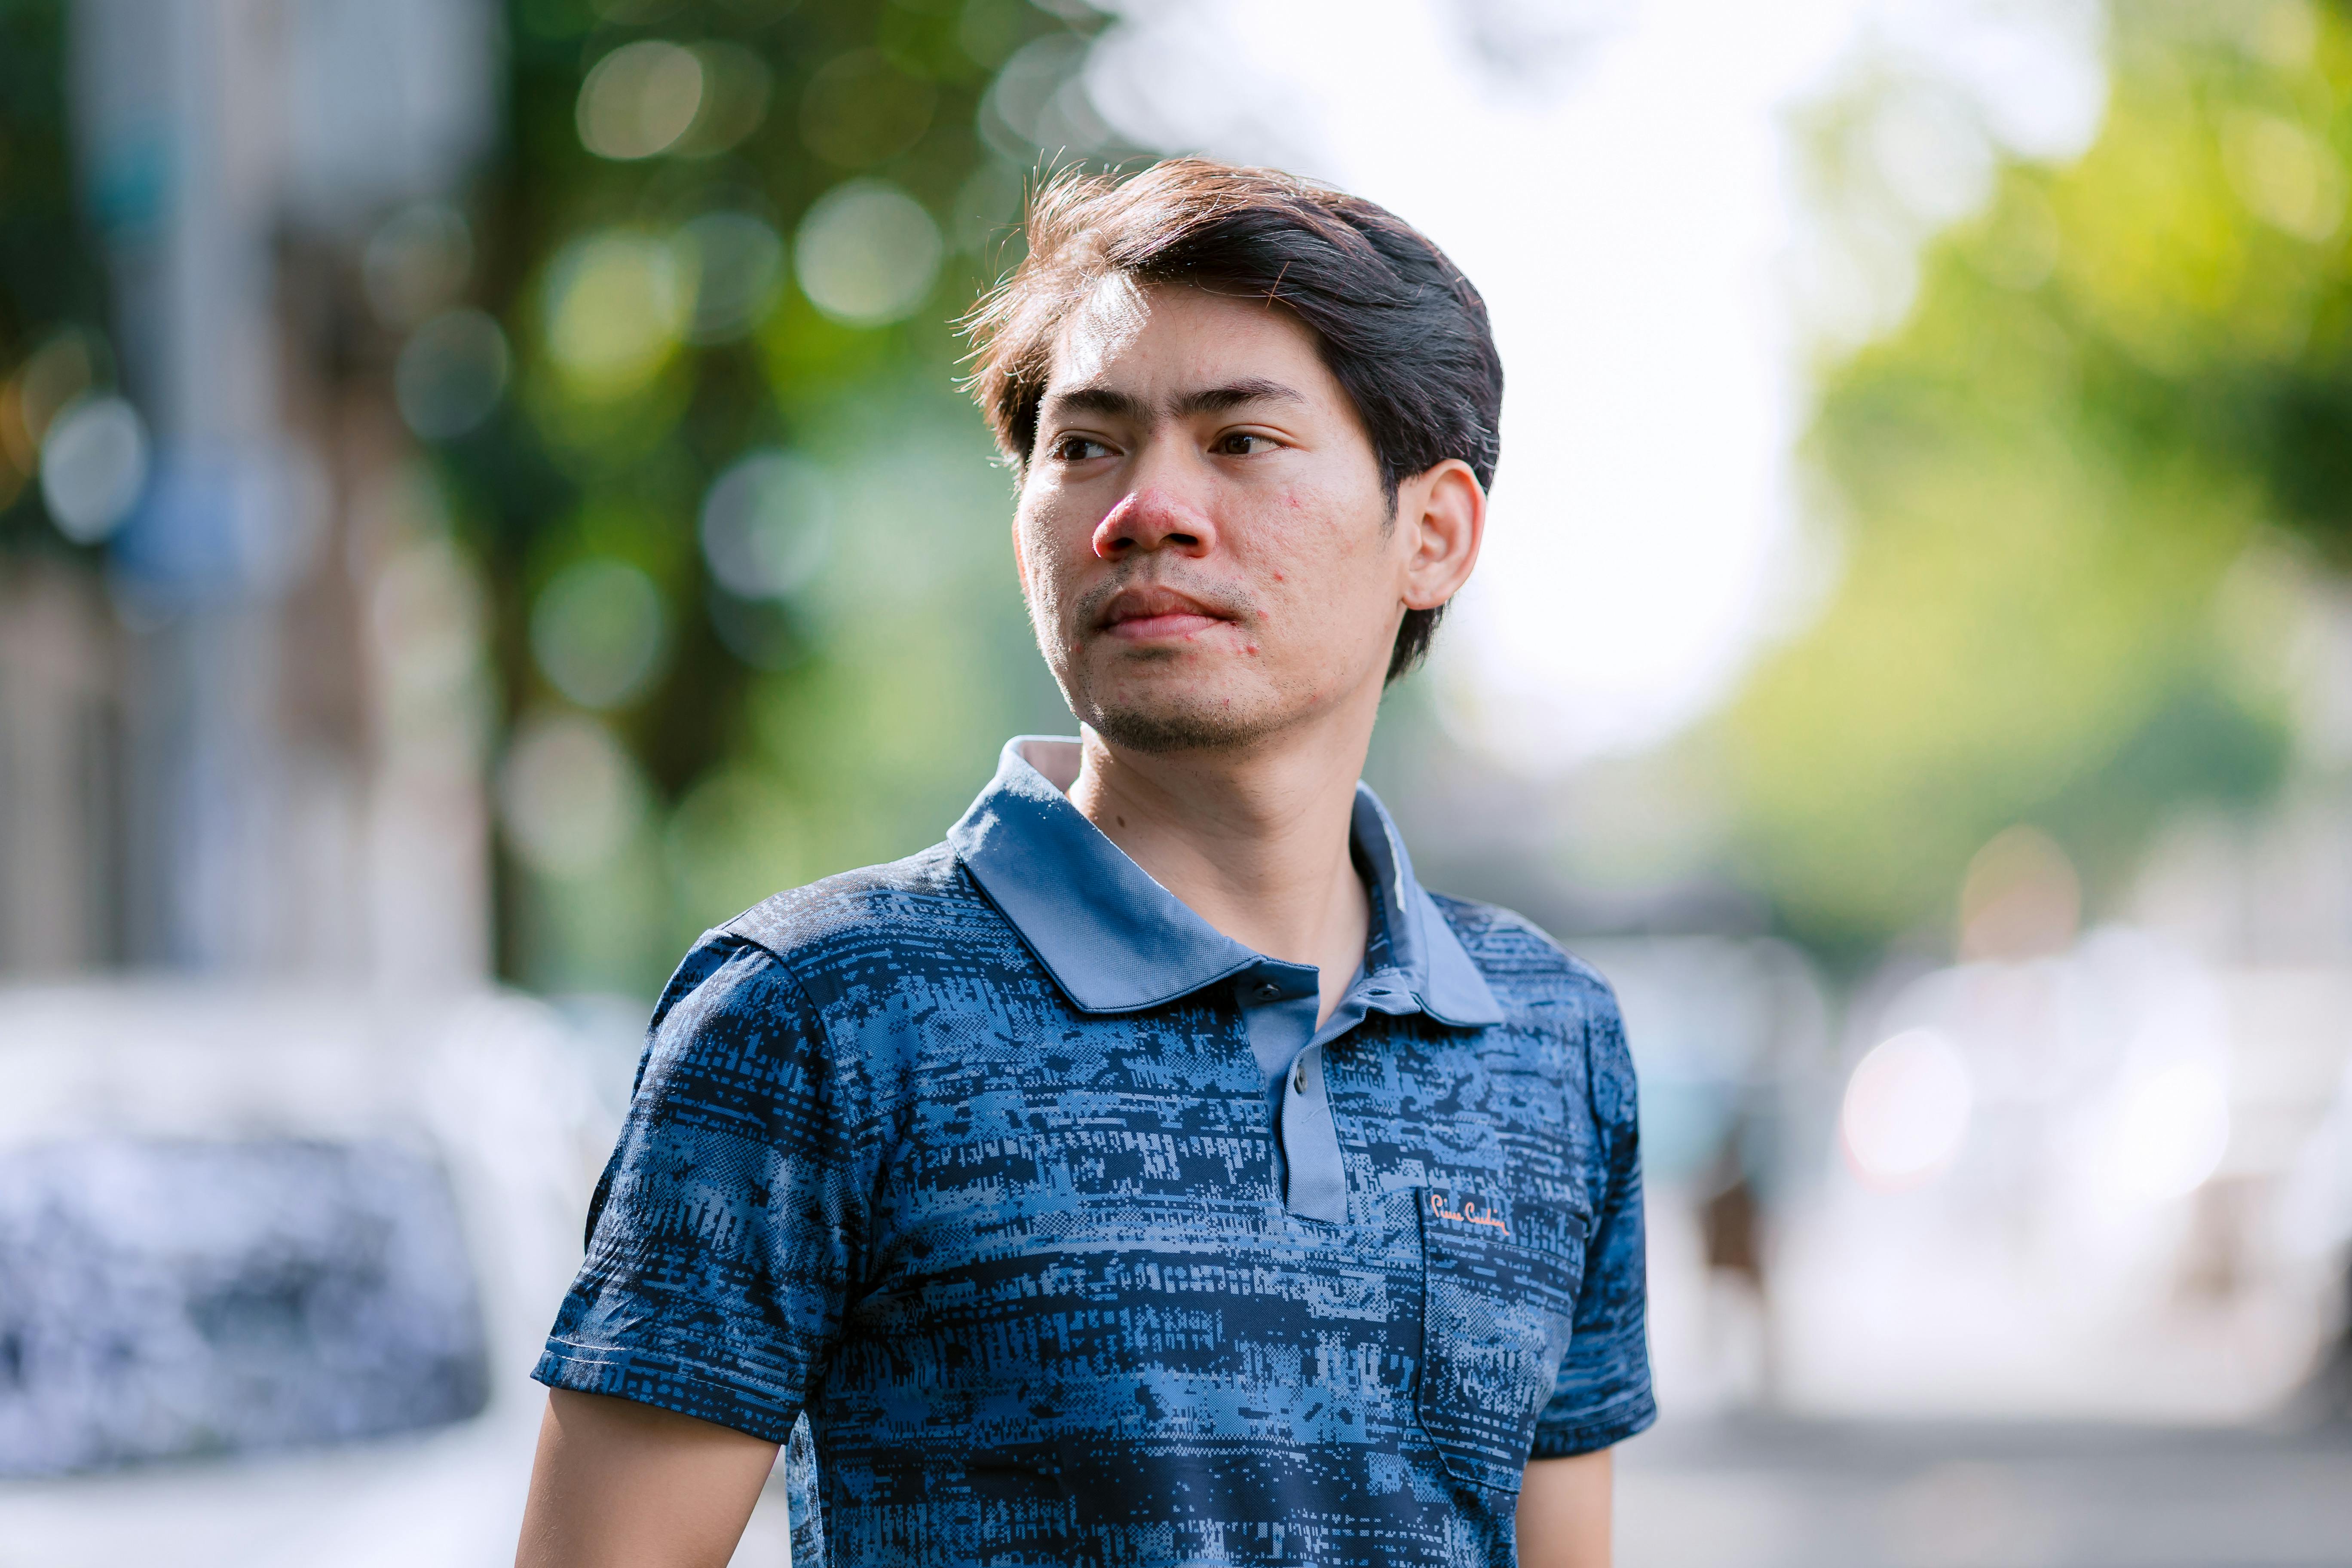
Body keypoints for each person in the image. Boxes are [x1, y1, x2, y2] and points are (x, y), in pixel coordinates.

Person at [516, 158, 1653, 1568]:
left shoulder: (1552, 1043)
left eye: (1241, 442)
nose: (1146, 511)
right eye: (1088, 445)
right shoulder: (813, 1017)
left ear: (1433, 534)